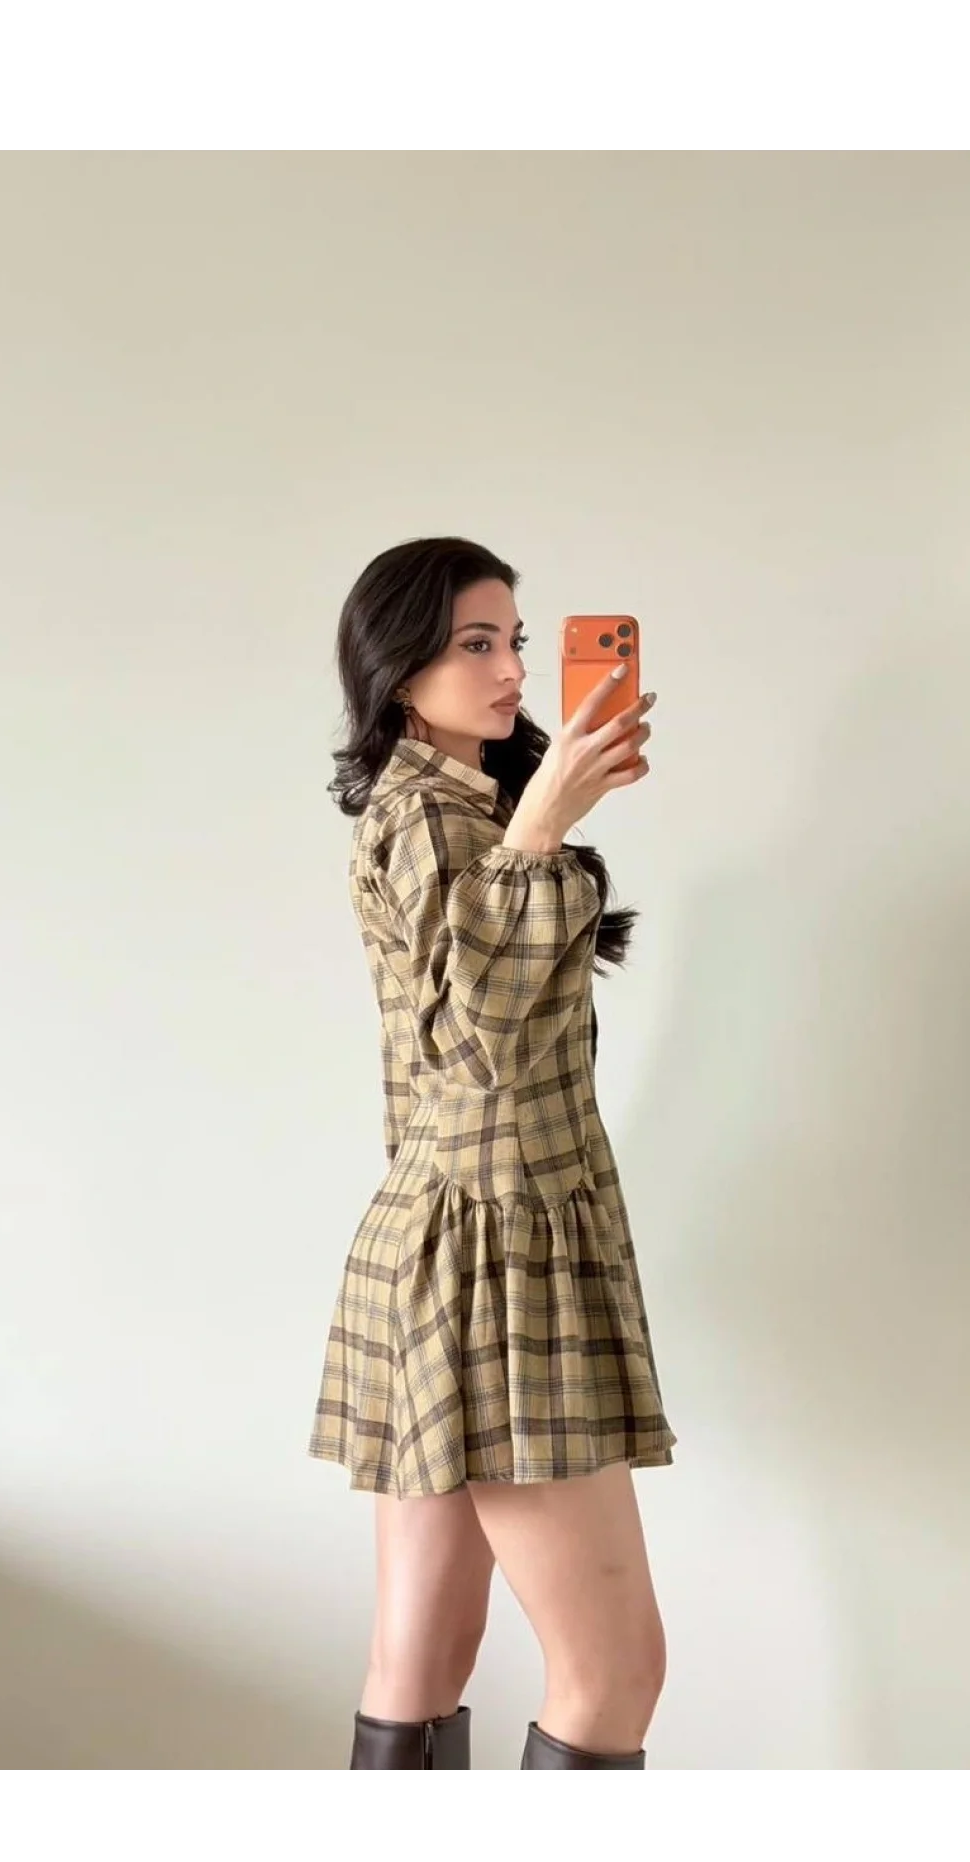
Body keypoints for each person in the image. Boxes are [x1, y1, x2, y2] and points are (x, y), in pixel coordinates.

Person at [309, 537, 676, 1775]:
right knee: (616, 1668)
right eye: (478, 643)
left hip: (449, 1243)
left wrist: (536, 821)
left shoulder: (458, 805)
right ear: (397, 667)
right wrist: (543, 826)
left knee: (420, 1657)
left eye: (515, 639)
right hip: (493, 1259)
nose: (513, 668)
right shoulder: (427, 818)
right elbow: (478, 1045)